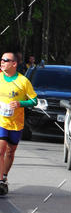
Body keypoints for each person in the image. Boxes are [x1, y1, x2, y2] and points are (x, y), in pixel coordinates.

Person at [0, 51, 37, 195]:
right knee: (1, 149)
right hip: (1, 121)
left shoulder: (23, 81)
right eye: (1, 60)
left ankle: (4, 177)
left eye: (5, 60)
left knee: (10, 152)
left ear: (14, 64)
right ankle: (0, 181)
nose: (2, 62)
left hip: (16, 123)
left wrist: (20, 103)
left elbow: (34, 101)